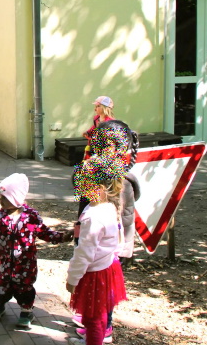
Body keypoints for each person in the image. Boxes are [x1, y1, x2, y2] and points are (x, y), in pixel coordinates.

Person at [72, 120, 140, 343]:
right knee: (97, 299)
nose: (105, 149)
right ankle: (95, 327)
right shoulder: (93, 172)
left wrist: (125, 247)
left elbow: (127, 218)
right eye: (102, 145)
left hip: (106, 252)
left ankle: (104, 328)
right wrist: (76, 234)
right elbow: (83, 209)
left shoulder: (120, 180)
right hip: (97, 244)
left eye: (111, 145)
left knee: (102, 299)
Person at [0, 173, 74, 328]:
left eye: (5, 197)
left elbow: (44, 232)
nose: (0, 200)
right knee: (0, 285)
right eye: (0, 197)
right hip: (5, 262)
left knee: (24, 287)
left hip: (25, 264)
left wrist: (61, 237)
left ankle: (26, 311)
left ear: (16, 198)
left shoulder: (31, 216)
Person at [67, 154, 128, 345]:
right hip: (107, 268)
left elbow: (84, 253)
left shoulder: (94, 217)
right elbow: (118, 239)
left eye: (83, 186)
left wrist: (72, 279)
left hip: (93, 274)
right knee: (97, 314)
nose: (80, 191)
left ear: (99, 189)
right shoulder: (109, 206)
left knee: (93, 318)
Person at [82, 96, 115, 160]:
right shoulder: (97, 118)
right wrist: (88, 132)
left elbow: (109, 137)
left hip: (105, 148)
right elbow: (94, 127)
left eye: (98, 106)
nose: (95, 109)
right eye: (95, 107)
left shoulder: (109, 122)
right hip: (95, 145)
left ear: (105, 108)